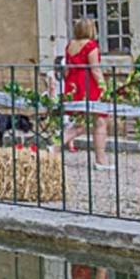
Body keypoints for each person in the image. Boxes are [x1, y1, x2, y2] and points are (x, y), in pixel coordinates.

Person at [57, 17, 112, 168]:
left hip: (74, 84)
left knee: (83, 121)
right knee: (99, 121)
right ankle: (100, 160)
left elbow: (67, 71)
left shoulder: (70, 46)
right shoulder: (91, 45)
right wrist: (104, 88)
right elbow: (95, 69)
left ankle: (55, 145)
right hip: (88, 85)